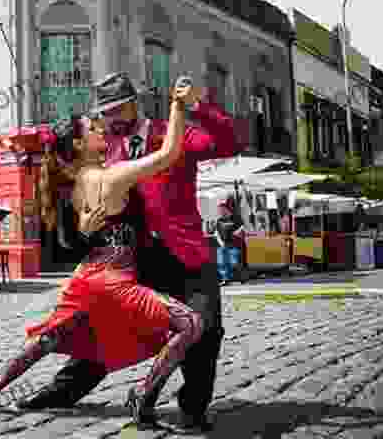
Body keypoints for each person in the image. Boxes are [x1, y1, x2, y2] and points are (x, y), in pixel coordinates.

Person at [0, 83, 204, 428]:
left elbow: (75, 241)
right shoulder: (109, 177)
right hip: (113, 280)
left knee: (45, 341)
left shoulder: (73, 183)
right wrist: (176, 107)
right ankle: (143, 393)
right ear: (79, 144)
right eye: (93, 128)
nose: (101, 128)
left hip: (83, 280)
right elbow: (169, 153)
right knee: (191, 323)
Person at [18, 72, 244, 431]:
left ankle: (192, 409)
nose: (106, 120)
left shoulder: (171, 132)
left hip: (185, 255)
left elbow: (229, 143)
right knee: (100, 328)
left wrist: (197, 104)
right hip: (134, 260)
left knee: (207, 329)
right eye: (102, 113)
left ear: (131, 104)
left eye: (112, 110)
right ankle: (60, 392)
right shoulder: (102, 149)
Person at [215, 198, 243, 286]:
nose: (220, 212)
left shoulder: (236, 218)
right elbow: (217, 233)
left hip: (234, 245)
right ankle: (225, 279)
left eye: (222, 210)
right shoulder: (219, 221)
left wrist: (236, 234)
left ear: (227, 209)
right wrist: (221, 242)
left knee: (234, 262)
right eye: (219, 210)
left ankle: (239, 278)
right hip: (223, 245)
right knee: (221, 262)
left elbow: (241, 229)